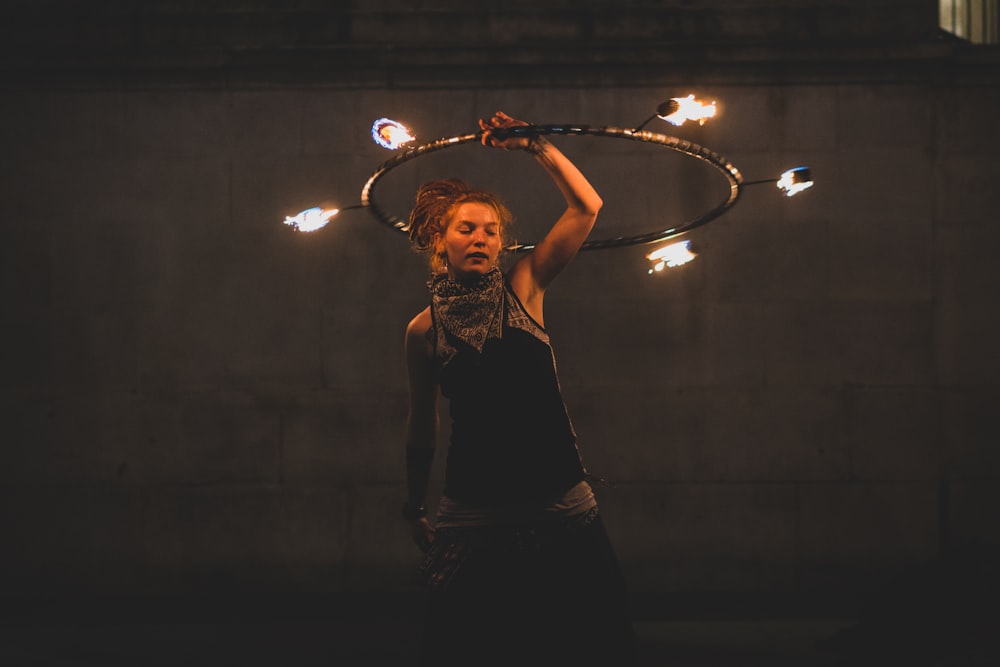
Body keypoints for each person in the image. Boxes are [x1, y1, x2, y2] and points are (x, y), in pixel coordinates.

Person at [401, 111, 637, 667]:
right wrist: (412, 505)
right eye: (466, 228)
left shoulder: (525, 288)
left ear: (503, 244)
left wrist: (537, 146)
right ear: (442, 241)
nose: (480, 238)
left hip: (560, 505)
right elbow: (421, 424)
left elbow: (587, 208)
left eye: (490, 230)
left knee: (592, 644)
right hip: (473, 513)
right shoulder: (423, 330)